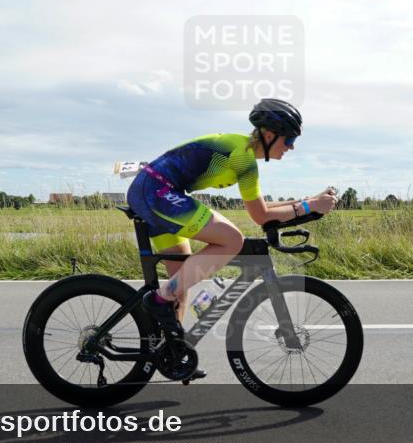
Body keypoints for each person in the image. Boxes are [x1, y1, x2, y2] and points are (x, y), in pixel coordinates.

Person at [126, 98, 337, 379]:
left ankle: (172, 353)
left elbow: (261, 207)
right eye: (290, 139)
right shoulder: (243, 158)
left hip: (156, 190)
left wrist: (308, 200)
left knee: (181, 282)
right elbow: (261, 217)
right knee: (232, 240)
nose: (292, 147)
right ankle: (158, 301)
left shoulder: (243, 153)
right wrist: (309, 208)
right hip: (156, 192)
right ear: (270, 134)